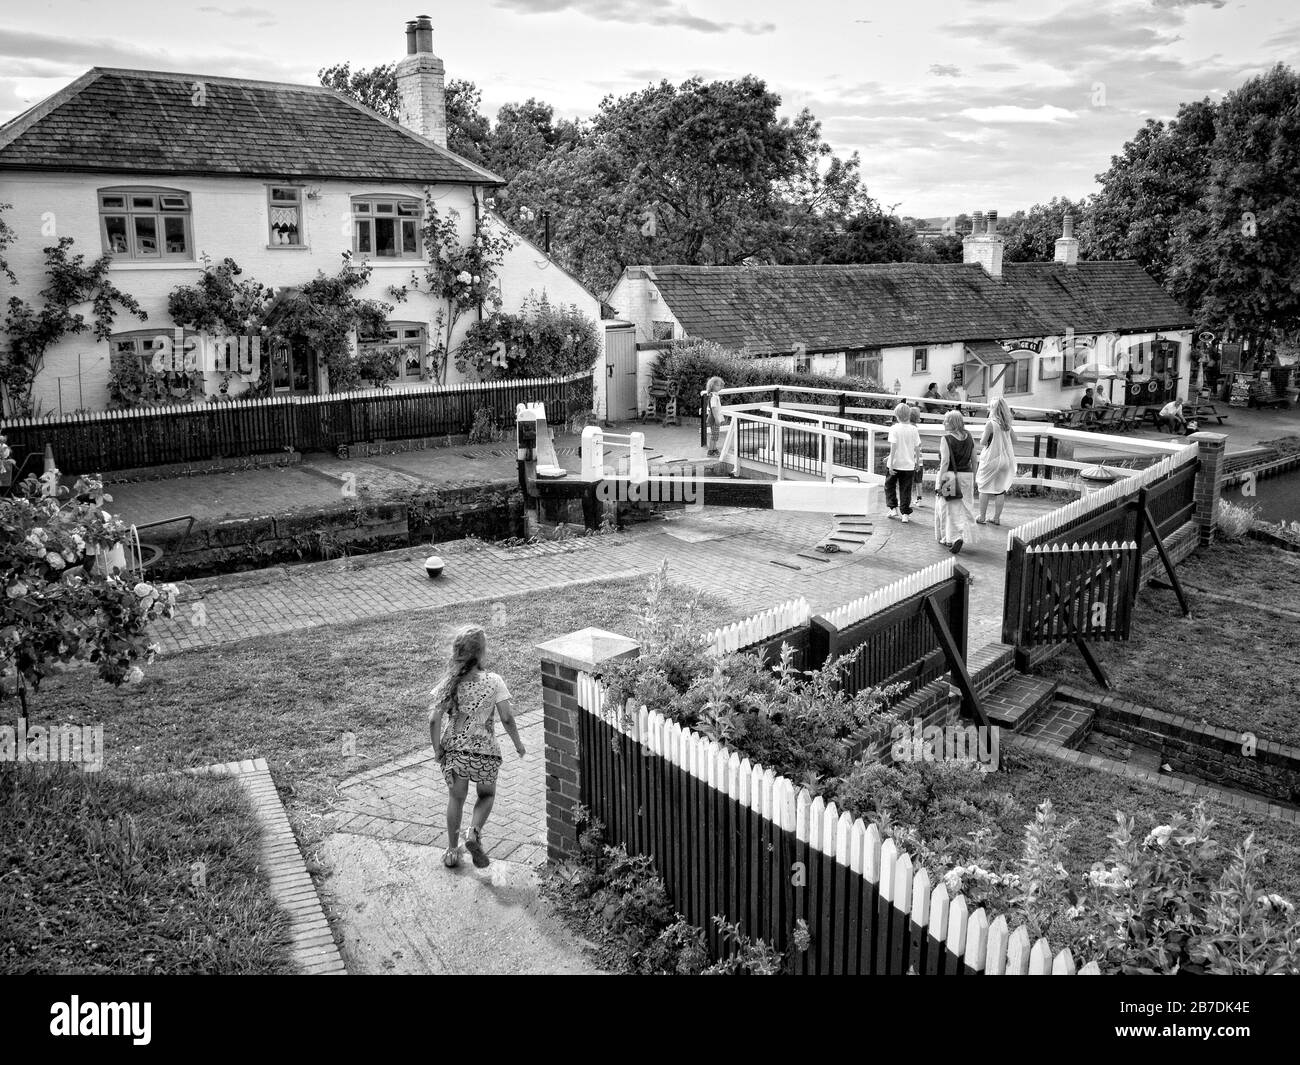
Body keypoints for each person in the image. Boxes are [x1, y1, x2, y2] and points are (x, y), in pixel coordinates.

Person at [428, 625, 526, 869]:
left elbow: (434, 719)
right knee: (486, 795)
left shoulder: (450, 683)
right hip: (486, 754)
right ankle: (473, 832)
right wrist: (518, 744)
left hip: (456, 753)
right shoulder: (494, 682)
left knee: (456, 799)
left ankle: (452, 851)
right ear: (482, 653)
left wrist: (437, 749)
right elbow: (506, 717)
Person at [934, 409, 977, 555]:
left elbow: (945, 463)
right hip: (967, 475)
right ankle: (963, 534)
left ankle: (952, 538)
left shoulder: (946, 439)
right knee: (966, 508)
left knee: (949, 509)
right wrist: (974, 478)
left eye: (945, 420)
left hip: (950, 476)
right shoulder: (969, 436)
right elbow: (974, 460)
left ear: (952, 423)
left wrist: (940, 483)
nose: (943, 422)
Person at [975, 396, 1018, 526]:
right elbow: (1015, 440)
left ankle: (982, 517)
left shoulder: (991, 424)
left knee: (983, 487)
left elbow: (983, 442)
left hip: (991, 460)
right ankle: (996, 518)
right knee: (1000, 490)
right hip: (1005, 460)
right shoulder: (1007, 424)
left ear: (993, 409)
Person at [885, 401, 921, 523]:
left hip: (895, 463)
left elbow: (893, 447)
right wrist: (917, 462)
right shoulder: (913, 429)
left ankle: (893, 508)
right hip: (909, 465)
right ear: (909, 415)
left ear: (897, 415)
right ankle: (905, 513)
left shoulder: (894, 428)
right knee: (906, 489)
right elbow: (917, 448)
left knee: (889, 486)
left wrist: (890, 462)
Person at [909, 405, 926, 508]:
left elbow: (916, 446)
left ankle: (908, 499)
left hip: (911, 459)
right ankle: (919, 499)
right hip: (919, 460)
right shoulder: (915, 428)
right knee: (918, 481)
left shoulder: (909, 429)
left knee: (909, 481)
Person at [704, 376, 725, 457]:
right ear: (712, 386)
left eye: (720, 385)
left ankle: (714, 449)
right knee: (714, 436)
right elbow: (713, 408)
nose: (719, 387)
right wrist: (717, 419)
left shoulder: (714, 395)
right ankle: (711, 451)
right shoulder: (713, 397)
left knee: (715, 435)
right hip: (714, 418)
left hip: (713, 418)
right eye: (717, 385)